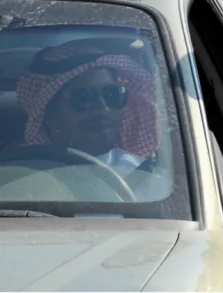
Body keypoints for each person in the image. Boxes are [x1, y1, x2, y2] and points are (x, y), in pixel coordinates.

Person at [13, 40, 168, 200]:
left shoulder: (145, 175)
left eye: (112, 95)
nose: (104, 109)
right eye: (84, 98)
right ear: (49, 115)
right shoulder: (19, 179)